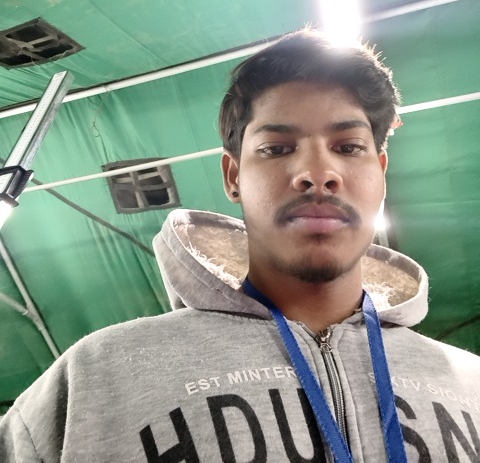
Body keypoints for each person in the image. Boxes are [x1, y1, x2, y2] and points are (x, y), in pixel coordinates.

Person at [1, 29, 479, 462]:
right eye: (277, 148)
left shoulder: (470, 383)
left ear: (381, 172)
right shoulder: (97, 375)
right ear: (233, 176)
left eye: (349, 147)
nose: (318, 173)